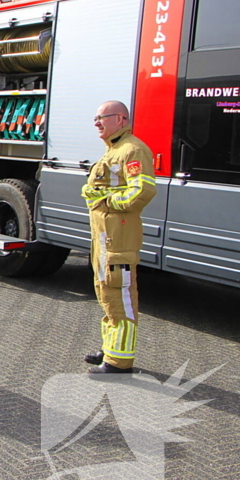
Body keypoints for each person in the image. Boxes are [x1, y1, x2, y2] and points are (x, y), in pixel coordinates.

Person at [81, 101, 156, 374]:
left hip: (119, 240)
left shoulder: (132, 150)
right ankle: (110, 349)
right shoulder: (114, 150)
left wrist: (106, 201)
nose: (96, 123)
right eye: (96, 117)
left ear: (121, 119)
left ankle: (119, 362)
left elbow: (141, 193)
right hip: (105, 239)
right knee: (106, 293)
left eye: (102, 117)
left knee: (120, 294)